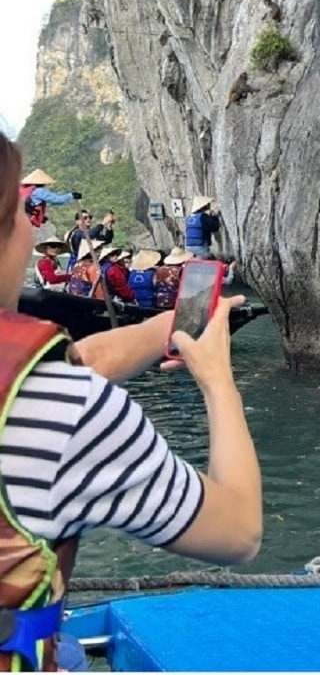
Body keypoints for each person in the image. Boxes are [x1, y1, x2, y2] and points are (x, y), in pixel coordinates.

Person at [0, 131, 261, 670]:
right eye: (25, 213)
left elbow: (78, 361)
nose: (34, 226)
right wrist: (216, 379)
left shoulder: (56, 388)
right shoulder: (67, 412)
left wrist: (175, 325)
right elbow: (238, 531)